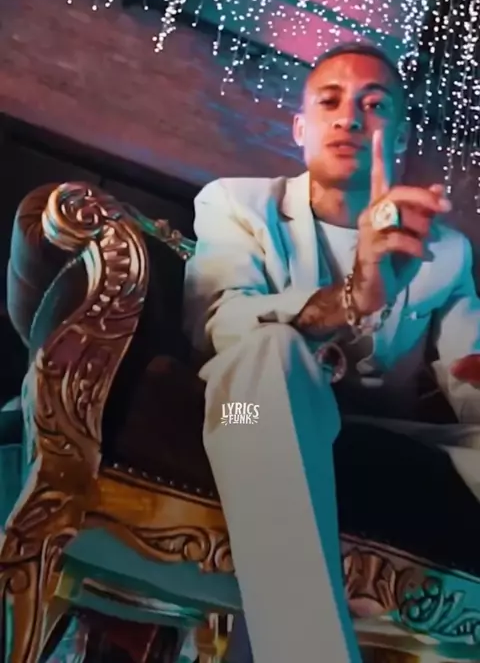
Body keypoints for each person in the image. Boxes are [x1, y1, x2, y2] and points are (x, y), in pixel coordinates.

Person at [183, 42, 480, 663]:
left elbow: (467, 381)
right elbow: (218, 325)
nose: (349, 118)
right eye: (330, 101)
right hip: (244, 412)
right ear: (301, 128)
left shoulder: (444, 250)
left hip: (380, 431)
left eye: (374, 105)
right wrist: (354, 295)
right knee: (267, 352)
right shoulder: (235, 203)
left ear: (400, 137)